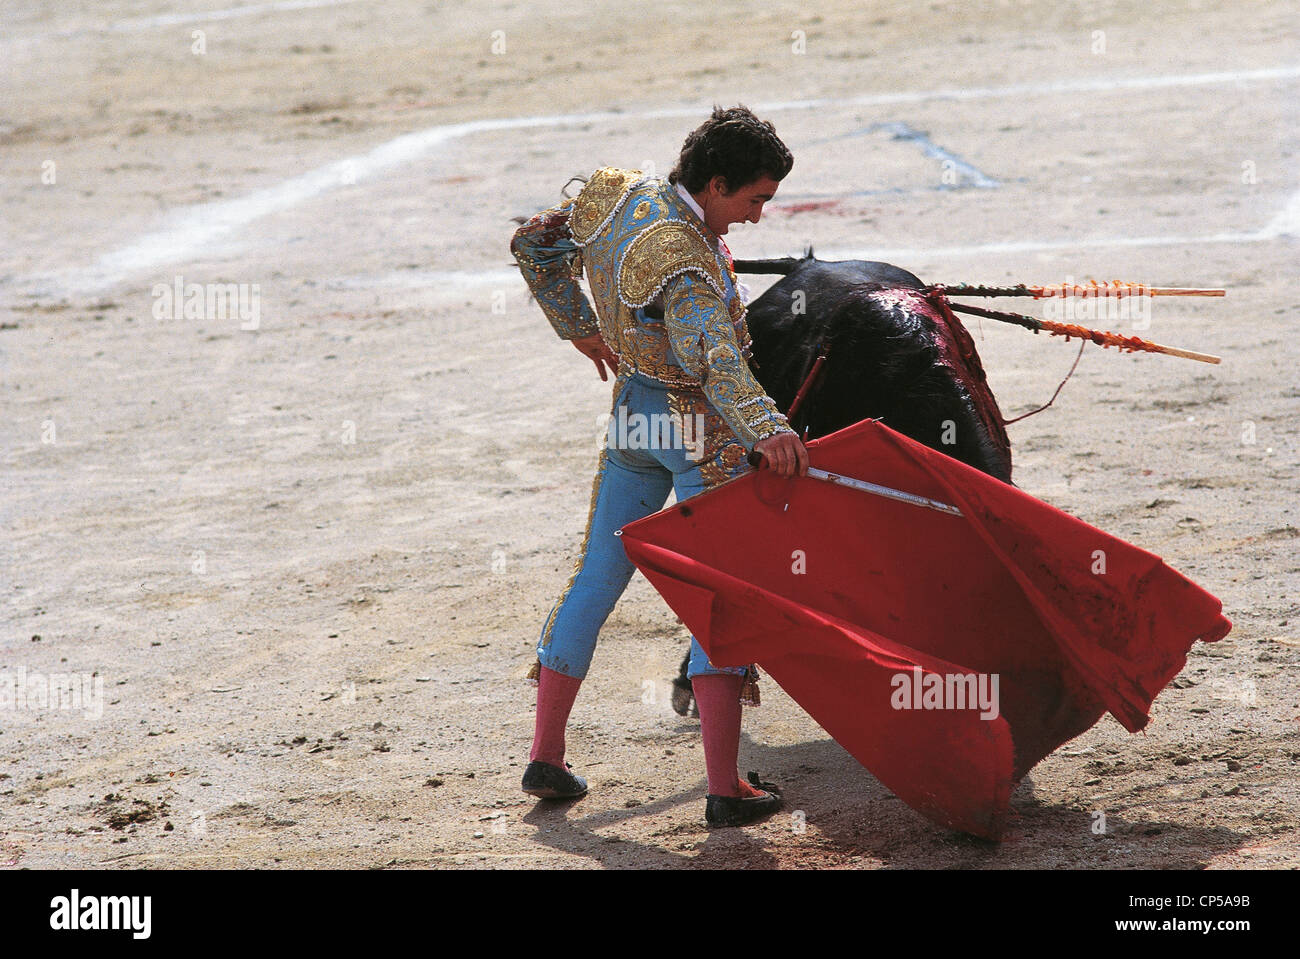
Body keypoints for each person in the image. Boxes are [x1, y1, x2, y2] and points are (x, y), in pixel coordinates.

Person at [510, 105, 808, 827]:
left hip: (634, 413)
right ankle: (723, 787)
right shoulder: (682, 259)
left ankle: (546, 752)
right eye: (753, 199)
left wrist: (580, 327)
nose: (757, 216)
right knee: (724, 589)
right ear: (713, 182)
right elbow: (714, 358)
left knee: (596, 575)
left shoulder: (615, 195)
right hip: (694, 427)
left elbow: (532, 244)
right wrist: (770, 430)